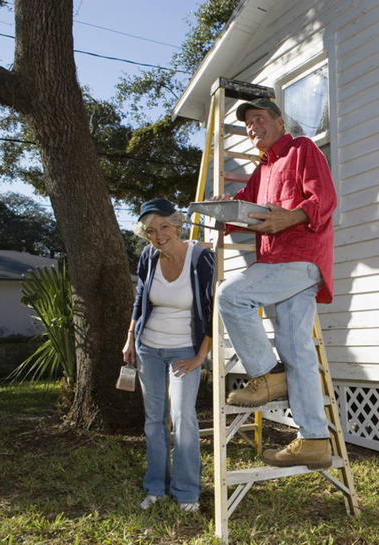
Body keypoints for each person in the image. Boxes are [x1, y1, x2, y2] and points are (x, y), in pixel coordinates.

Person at [214, 97, 336, 469]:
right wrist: (221, 211)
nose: (253, 127)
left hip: (300, 257)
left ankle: (268, 376)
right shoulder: (261, 172)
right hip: (279, 265)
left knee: (231, 296)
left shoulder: (302, 149)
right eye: (248, 124)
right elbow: (243, 209)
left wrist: (292, 217)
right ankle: (315, 439)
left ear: (280, 122)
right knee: (296, 348)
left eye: (259, 119)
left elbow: (324, 199)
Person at [121, 198, 215, 511]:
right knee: (154, 421)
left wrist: (200, 357)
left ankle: (187, 492)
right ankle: (155, 488)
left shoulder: (200, 258)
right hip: (149, 348)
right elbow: (139, 300)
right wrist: (130, 338)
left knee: (183, 418)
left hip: (185, 349)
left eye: (164, 226)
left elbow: (213, 311)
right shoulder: (148, 256)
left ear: (177, 224)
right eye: (150, 230)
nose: (159, 234)